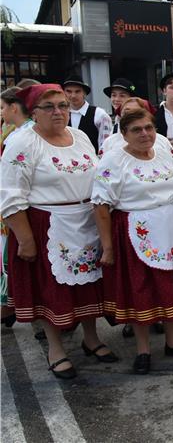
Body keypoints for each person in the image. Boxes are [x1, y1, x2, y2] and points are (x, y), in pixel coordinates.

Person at [1, 84, 116, 379]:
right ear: (33, 113)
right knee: (52, 290)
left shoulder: (79, 137)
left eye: (63, 105)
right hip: (48, 224)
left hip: (86, 221)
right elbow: (10, 194)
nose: (58, 112)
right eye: (49, 106)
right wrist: (25, 239)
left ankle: (91, 339)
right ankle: (56, 349)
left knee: (91, 283)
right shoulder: (23, 142)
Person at [93, 108, 173, 375]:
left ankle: (172, 342)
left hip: (169, 229)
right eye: (136, 130)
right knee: (141, 290)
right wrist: (107, 247)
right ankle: (143, 350)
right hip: (135, 230)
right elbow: (101, 206)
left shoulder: (164, 153)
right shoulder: (114, 161)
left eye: (149, 128)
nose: (144, 134)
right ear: (124, 134)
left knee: (170, 286)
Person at [0, 87, 35, 327]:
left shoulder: (24, 135)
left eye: (2, 107)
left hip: (25, 206)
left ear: (14, 107)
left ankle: (12, 305)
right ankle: (9, 304)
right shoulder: (13, 133)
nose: (1, 112)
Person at [100, 97, 173, 158]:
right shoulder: (110, 142)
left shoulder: (162, 141)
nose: (130, 116)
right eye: (126, 112)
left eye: (136, 113)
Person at [63, 75, 113, 154]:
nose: (73, 96)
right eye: (69, 91)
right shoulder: (61, 114)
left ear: (85, 93)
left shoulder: (99, 114)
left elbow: (105, 146)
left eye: (77, 91)